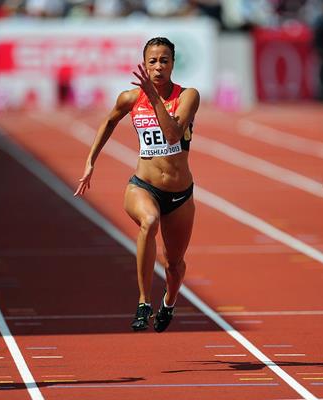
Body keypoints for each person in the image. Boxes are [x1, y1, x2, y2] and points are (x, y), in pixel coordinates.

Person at [74, 37, 200, 333]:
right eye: (152, 61)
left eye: (164, 60)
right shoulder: (130, 99)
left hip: (181, 195)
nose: (158, 67)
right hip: (143, 185)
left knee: (175, 265)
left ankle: (169, 301)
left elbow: (171, 135)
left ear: (173, 64)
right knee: (149, 220)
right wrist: (91, 160)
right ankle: (144, 301)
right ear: (144, 64)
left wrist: (155, 98)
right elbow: (108, 121)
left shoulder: (188, 97)